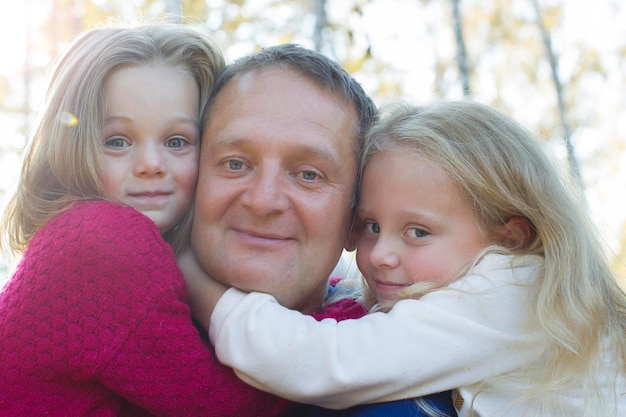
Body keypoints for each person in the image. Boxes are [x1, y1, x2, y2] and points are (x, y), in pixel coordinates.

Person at [187, 100, 626, 417]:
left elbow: (320, 362)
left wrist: (190, 271)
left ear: (510, 239)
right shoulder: (456, 281)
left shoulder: (517, 289)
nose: (380, 255)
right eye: (371, 226)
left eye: (418, 232)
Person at [0, 23, 297, 417]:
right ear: (71, 146)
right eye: (117, 141)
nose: (151, 165)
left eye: (177, 141)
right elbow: (210, 404)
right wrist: (336, 313)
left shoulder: (79, 233)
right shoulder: (103, 239)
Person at [181, 43, 456, 416]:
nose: (264, 200)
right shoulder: (100, 320)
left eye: (309, 174)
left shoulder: (422, 380)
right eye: (235, 164)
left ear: (355, 223)